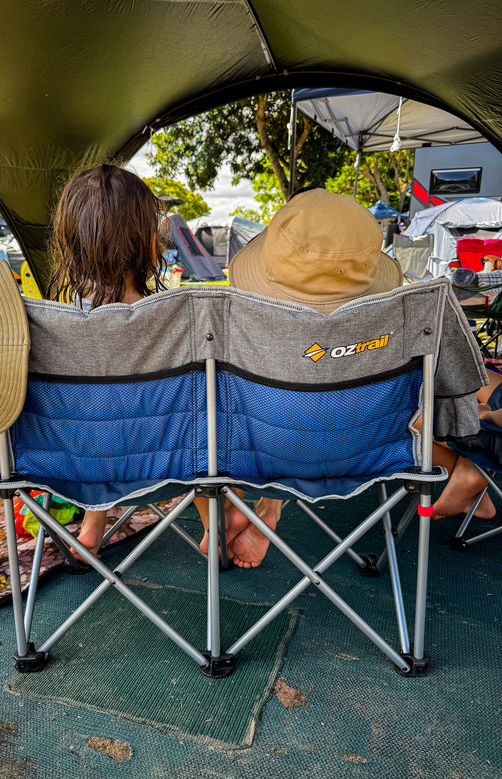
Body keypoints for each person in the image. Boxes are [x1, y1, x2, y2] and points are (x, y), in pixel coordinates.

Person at [205, 188, 492, 568]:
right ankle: (462, 469)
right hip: (376, 448)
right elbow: (453, 395)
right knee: (406, 406)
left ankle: (259, 506)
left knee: (255, 410)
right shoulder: (411, 315)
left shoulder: (234, 321)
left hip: (264, 449)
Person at [47, 163, 167, 559]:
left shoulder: (50, 323)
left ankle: (92, 523)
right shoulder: (173, 317)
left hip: (77, 458)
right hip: (165, 457)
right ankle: (213, 524)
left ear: (69, 242)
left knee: (96, 418)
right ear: (149, 243)